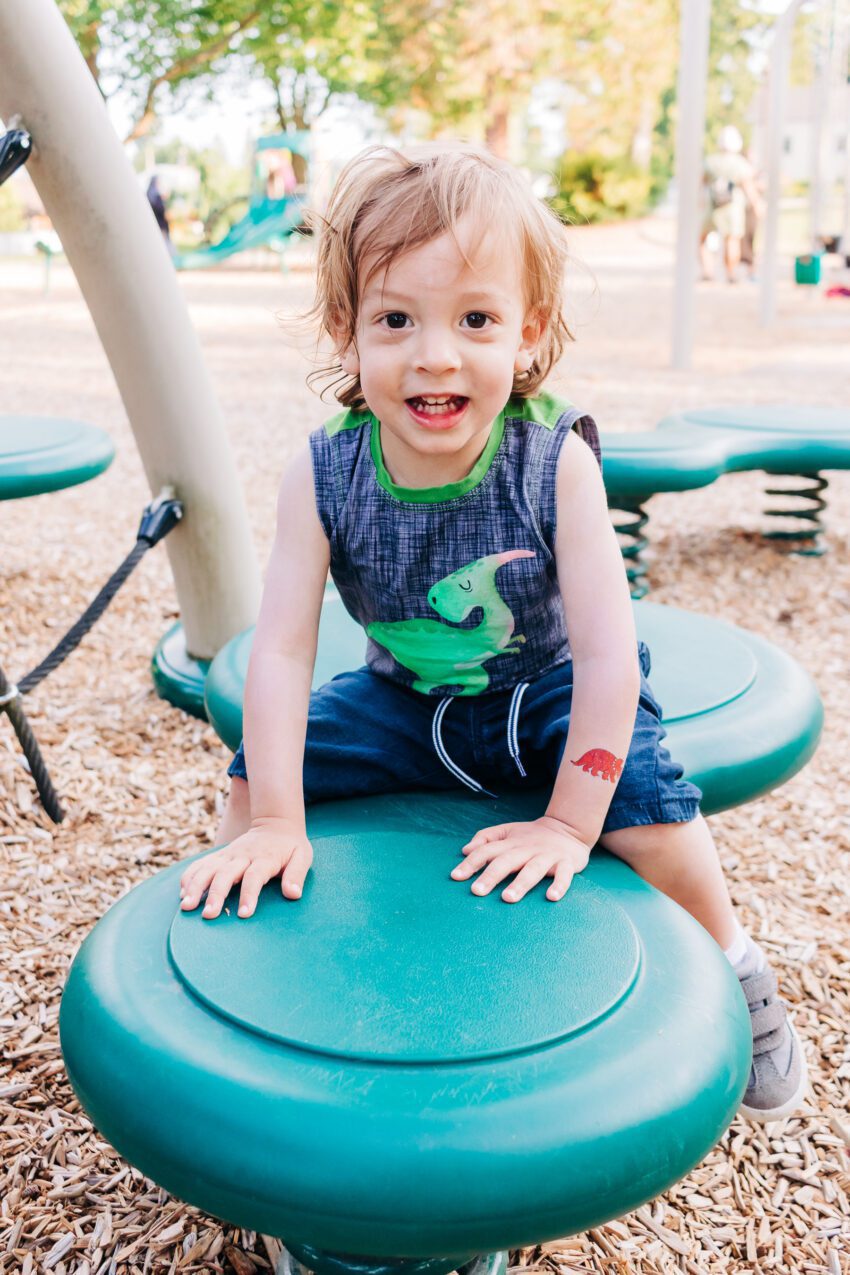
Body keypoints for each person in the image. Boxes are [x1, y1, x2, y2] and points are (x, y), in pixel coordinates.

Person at [179, 142, 807, 1122]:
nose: (435, 353)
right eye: (396, 319)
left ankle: (740, 965)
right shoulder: (323, 471)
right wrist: (273, 819)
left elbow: (605, 655)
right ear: (347, 336)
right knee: (256, 780)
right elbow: (286, 650)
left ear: (526, 334)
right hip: (400, 698)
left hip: (549, 692)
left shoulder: (553, 464)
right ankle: (240, 985)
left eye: (474, 318)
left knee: (651, 808)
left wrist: (569, 822)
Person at [700, 126, 761, 284]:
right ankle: (730, 273)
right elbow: (748, 187)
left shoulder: (710, 161)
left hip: (713, 206)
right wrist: (757, 205)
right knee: (732, 240)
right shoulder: (740, 164)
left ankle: (708, 270)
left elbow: (702, 183)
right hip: (733, 207)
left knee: (703, 239)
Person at [145, 174, 174, 257]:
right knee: (163, 247)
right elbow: (162, 211)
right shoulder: (157, 197)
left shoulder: (148, 195)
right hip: (160, 225)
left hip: (153, 224)